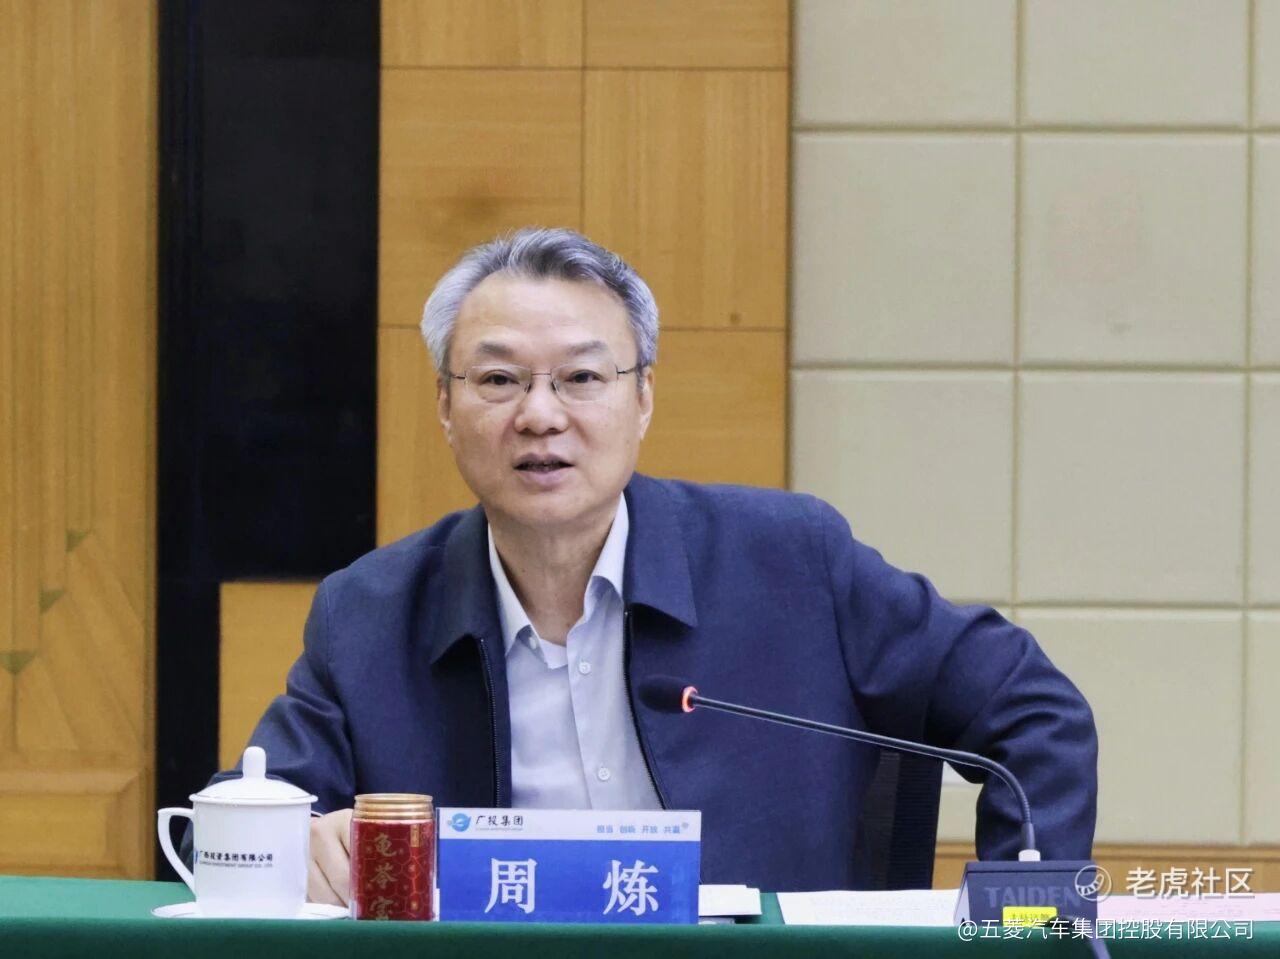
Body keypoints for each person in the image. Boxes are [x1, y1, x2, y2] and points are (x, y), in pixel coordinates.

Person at [197, 228, 1097, 903]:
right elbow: (242, 808)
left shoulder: (791, 564)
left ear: (644, 398)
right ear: (444, 405)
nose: (540, 415)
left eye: (582, 378)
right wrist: (295, 840)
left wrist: (1028, 924)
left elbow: (1030, 709)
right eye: (499, 380)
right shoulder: (370, 613)